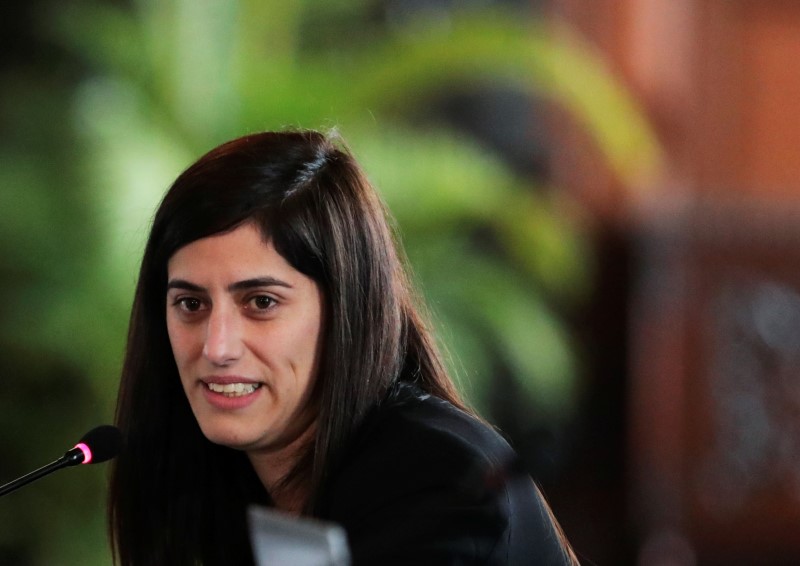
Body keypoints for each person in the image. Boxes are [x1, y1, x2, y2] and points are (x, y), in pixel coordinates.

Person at [108, 129, 578, 565]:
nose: (217, 347)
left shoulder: (438, 478)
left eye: (261, 302)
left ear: (346, 309)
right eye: (190, 303)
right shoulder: (218, 478)